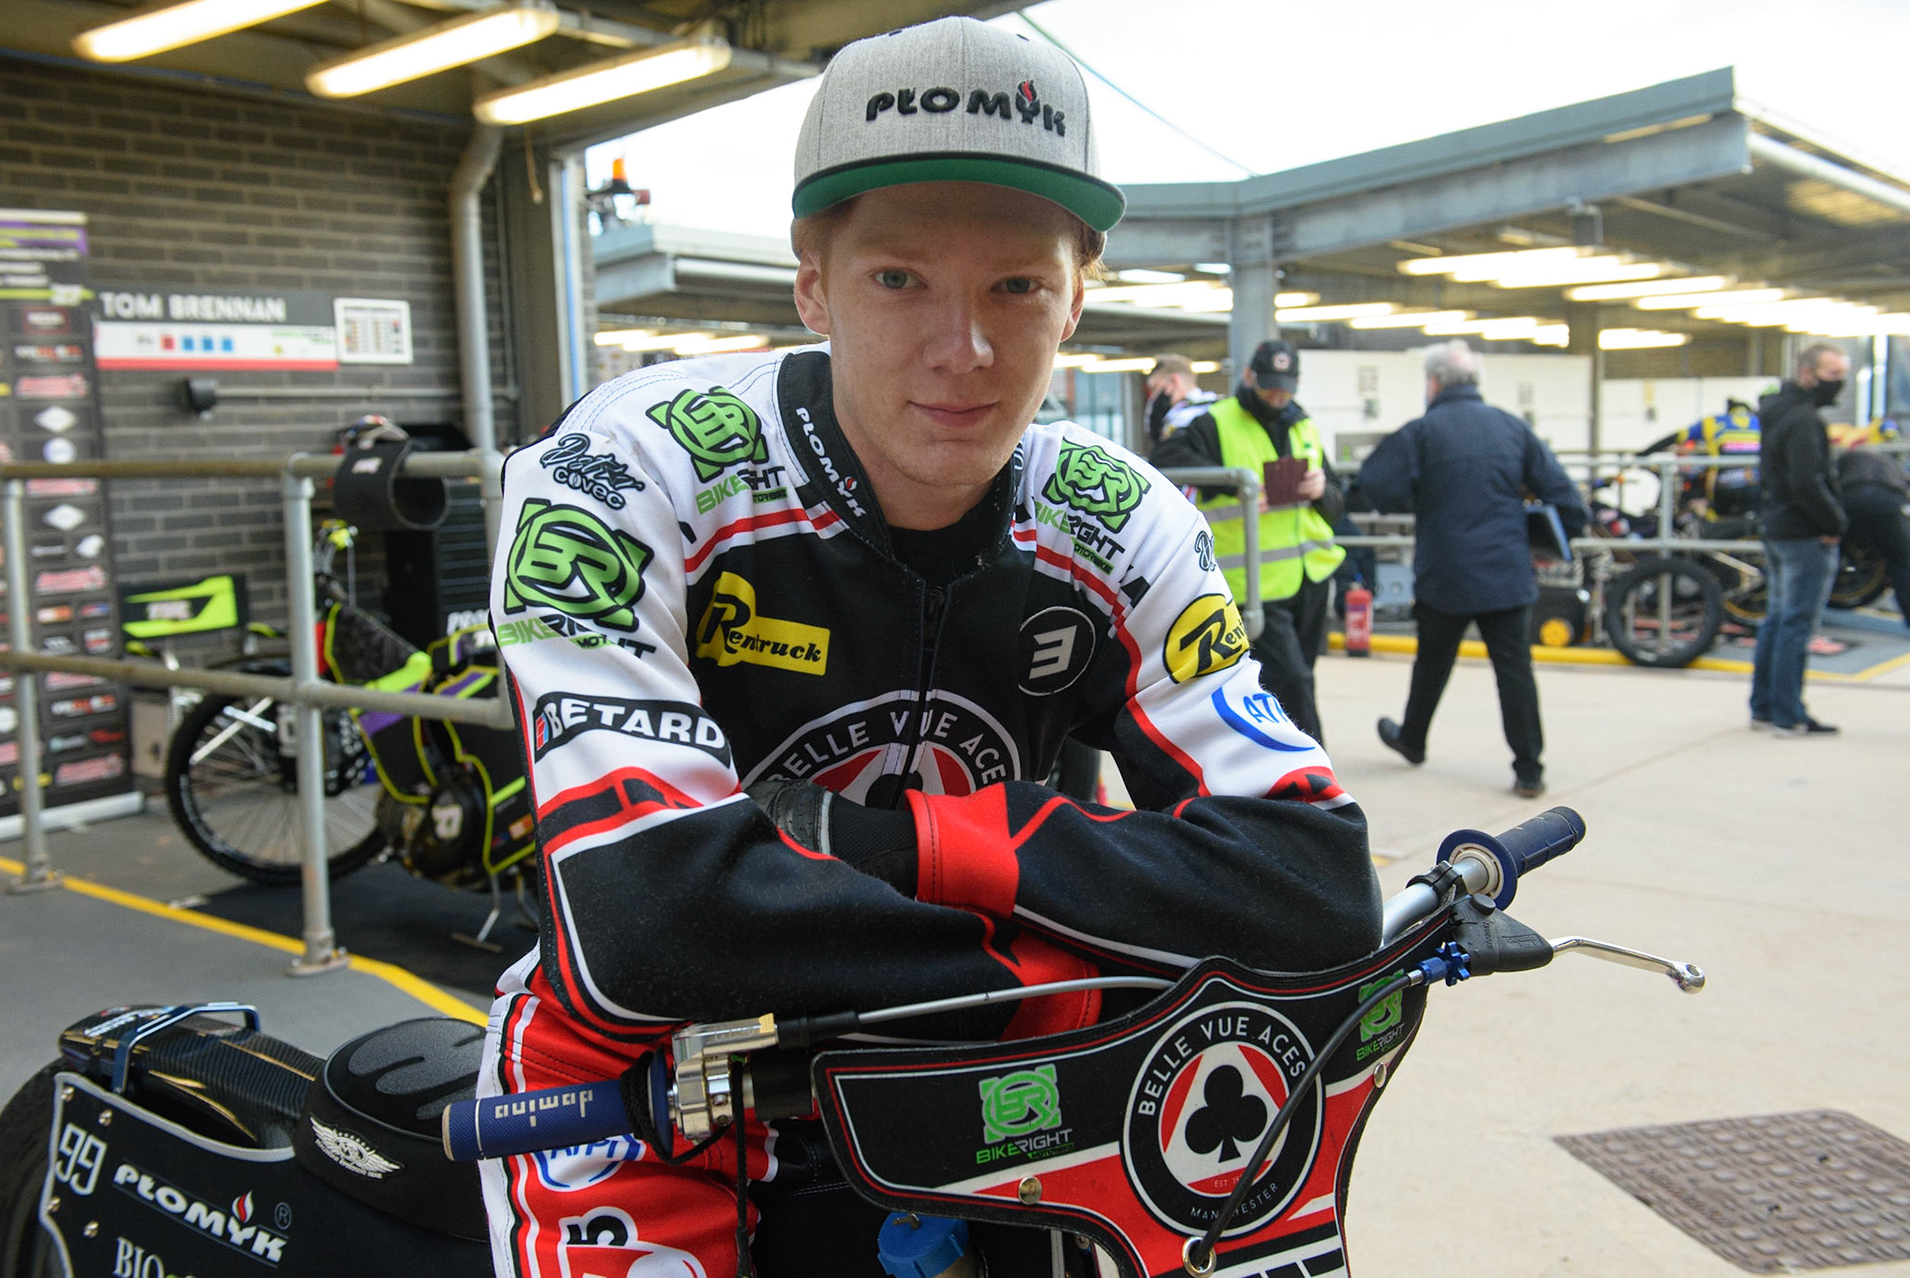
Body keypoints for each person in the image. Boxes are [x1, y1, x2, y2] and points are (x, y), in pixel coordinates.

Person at [477, 18, 1382, 1278]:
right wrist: (1070, 947)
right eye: (899, 279)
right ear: (811, 283)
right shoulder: (624, 469)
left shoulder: (1122, 521)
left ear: (1080, 291)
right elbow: (654, 919)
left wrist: (937, 841)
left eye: (1015, 285)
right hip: (648, 1077)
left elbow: (1315, 882)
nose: (963, 351)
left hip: (981, 1071)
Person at [1358, 340, 1586, 799]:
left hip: (1446, 574)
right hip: (1506, 573)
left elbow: (1374, 483)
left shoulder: (1422, 432)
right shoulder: (1512, 428)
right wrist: (1542, 545)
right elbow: (1568, 500)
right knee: (1514, 669)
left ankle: (1413, 740)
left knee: (1433, 660)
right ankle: (1529, 768)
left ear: (1434, 382)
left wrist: (1412, 497)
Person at [1152, 339, 1345, 742]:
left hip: (1310, 577)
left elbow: (1336, 506)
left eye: (1287, 386)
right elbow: (1165, 461)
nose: (1279, 395)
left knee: (1301, 676)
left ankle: (1278, 761)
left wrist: (1321, 489)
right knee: (1292, 680)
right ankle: (1315, 779)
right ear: (1248, 377)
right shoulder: (1216, 421)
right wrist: (1231, 484)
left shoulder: (1303, 424)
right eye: (1270, 385)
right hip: (1253, 582)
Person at [1750, 342, 1852, 735]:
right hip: (1803, 532)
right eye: (1832, 376)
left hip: (1777, 527)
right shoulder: (1805, 420)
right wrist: (1835, 522)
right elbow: (1807, 480)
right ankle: (1787, 713)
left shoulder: (1778, 412)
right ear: (1808, 374)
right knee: (1795, 623)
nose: (1838, 385)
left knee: (1777, 619)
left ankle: (1764, 707)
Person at [1836, 421, 1910, 629]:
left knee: (1824, 551)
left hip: (1850, 496)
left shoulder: (1849, 448)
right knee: (1902, 562)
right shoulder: (1890, 458)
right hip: (1887, 501)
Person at [1142, 351, 1217, 448]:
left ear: (1173, 381)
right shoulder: (1214, 407)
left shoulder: (1182, 420)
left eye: (1155, 388)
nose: (1153, 397)